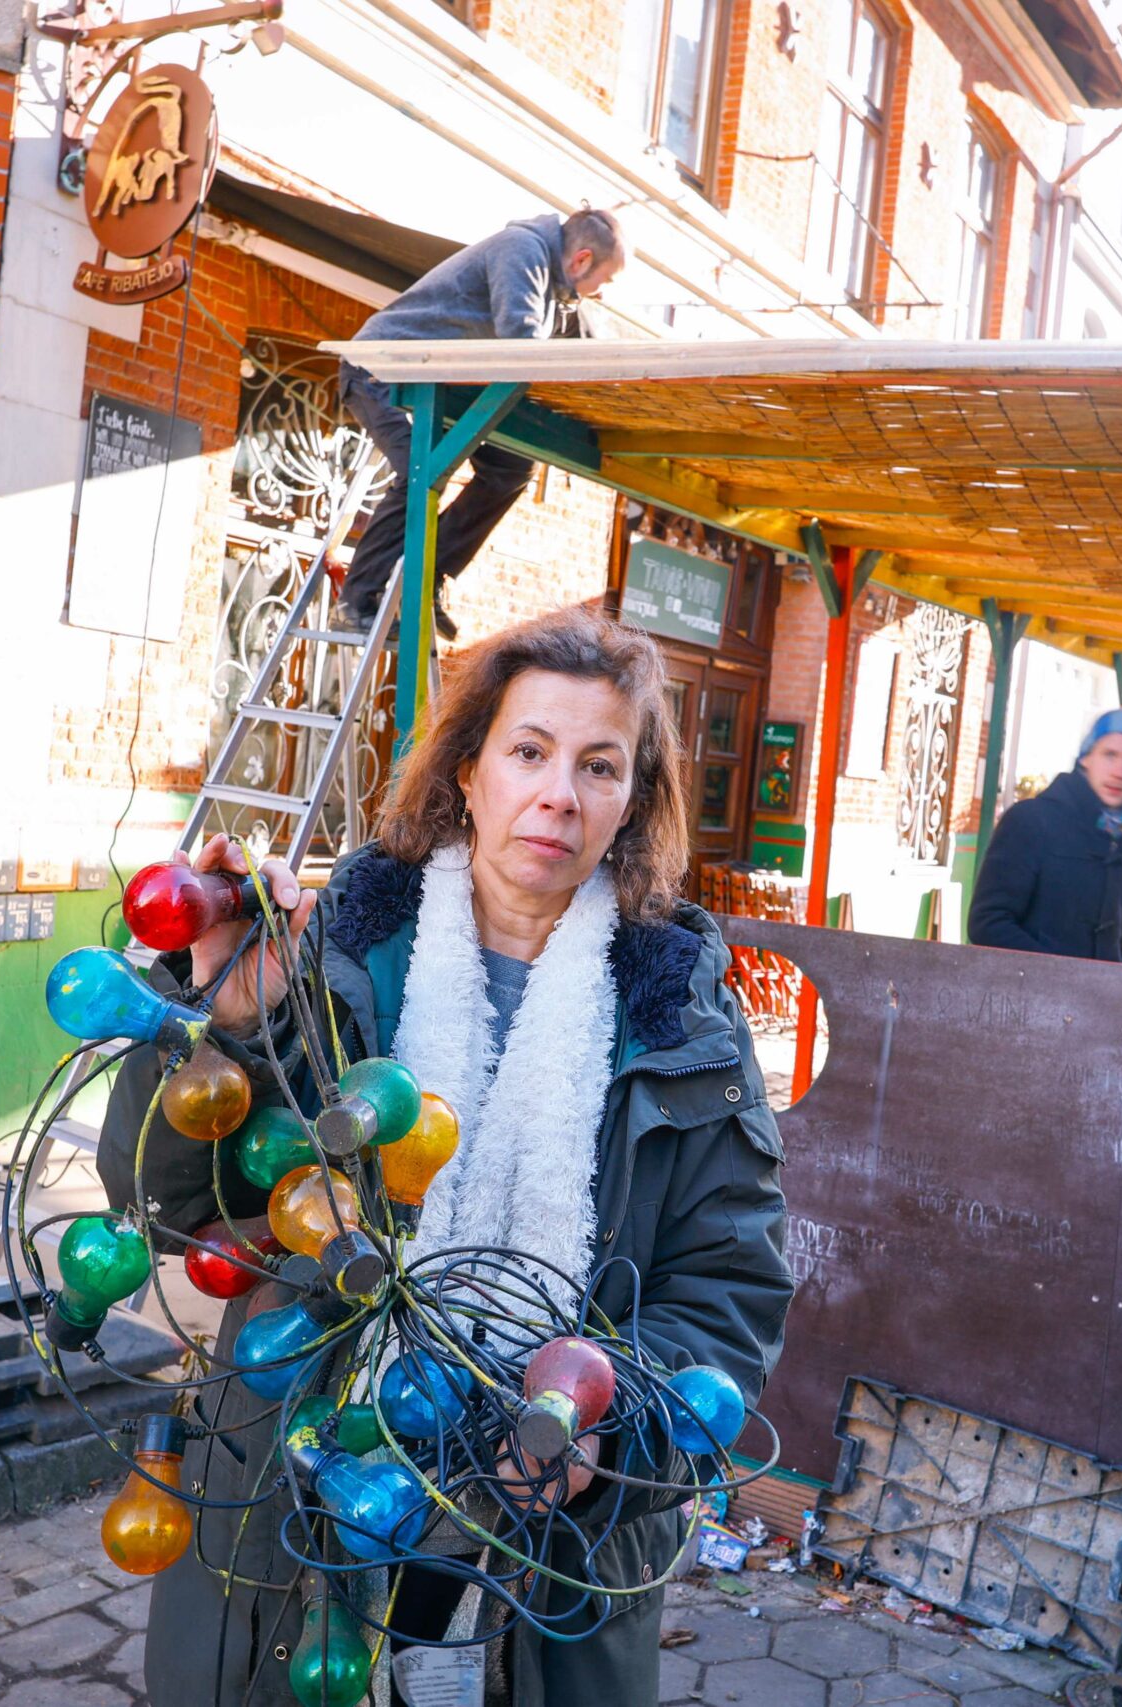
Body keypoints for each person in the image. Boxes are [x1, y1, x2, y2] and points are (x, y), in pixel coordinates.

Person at [96, 606, 791, 1706]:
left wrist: (603, 1436)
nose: (558, 794)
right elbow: (168, 1199)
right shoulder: (333, 953)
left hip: (546, 1553)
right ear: (468, 771)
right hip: (297, 1499)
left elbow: (727, 1289)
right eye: (528, 752)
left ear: (632, 802)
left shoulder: (681, 1029)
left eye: (599, 766)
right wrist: (226, 1026)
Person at [335, 209, 631, 640]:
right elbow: (522, 342)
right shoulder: (522, 251)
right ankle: (355, 602)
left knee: (511, 468)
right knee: (421, 470)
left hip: (438, 387)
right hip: (379, 373)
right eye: (603, 281)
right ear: (582, 260)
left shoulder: (555, 285)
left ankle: (430, 572)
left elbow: (581, 341)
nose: (599, 294)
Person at [969, 708, 1122, 963]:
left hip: (1103, 997)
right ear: (1086, 757)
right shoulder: (1030, 821)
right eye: (1109, 754)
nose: (1119, 772)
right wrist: (1059, 975)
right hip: (1029, 995)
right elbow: (988, 922)